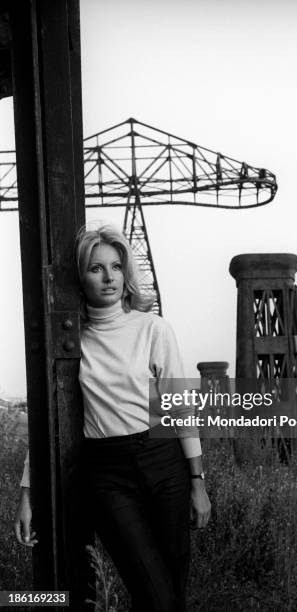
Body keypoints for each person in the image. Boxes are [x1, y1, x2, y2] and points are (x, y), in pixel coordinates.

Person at [14, 224, 211, 612]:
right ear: (80, 278)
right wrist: (26, 494)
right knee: (155, 594)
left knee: (171, 593)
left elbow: (178, 407)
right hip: (107, 473)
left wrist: (197, 481)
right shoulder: (70, 340)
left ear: (126, 273)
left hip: (163, 462)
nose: (109, 278)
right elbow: (47, 422)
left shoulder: (153, 329)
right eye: (96, 268)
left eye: (116, 267)